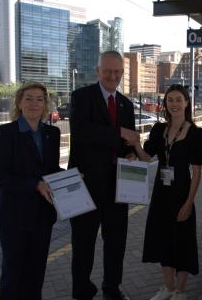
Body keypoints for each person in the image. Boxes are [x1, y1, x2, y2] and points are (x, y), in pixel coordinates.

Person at [123, 84, 202, 300]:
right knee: (163, 239)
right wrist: (135, 146)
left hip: (182, 194)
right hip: (161, 195)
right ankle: (167, 287)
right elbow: (147, 157)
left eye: (179, 99)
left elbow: (196, 172)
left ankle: (180, 291)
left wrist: (189, 203)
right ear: (165, 104)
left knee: (183, 241)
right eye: (170, 100)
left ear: (187, 102)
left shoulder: (197, 134)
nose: (174, 104)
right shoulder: (159, 130)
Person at [68, 50, 136, 300]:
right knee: (83, 243)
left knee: (116, 242)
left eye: (117, 72)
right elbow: (82, 132)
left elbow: (127, 142)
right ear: (98, 71)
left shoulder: (126, 104)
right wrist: (119, 134)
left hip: (118, 187)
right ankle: (82, 290)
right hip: (85, 185)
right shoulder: (81, 97)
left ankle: (111, 288)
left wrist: (130, 154)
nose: (112, 76)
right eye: (107, 71)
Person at [0, 81, 61, 300]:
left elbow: (51, 169)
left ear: (45, 104)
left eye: (40, 99)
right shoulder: (6, 133)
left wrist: (71, 177)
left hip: (42, 216)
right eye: (28, 98)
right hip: (13, 217)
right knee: (13, 275)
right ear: (19, 102)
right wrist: (35, 184)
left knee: (36, 274)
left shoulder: (53, 133)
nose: (34, 103)